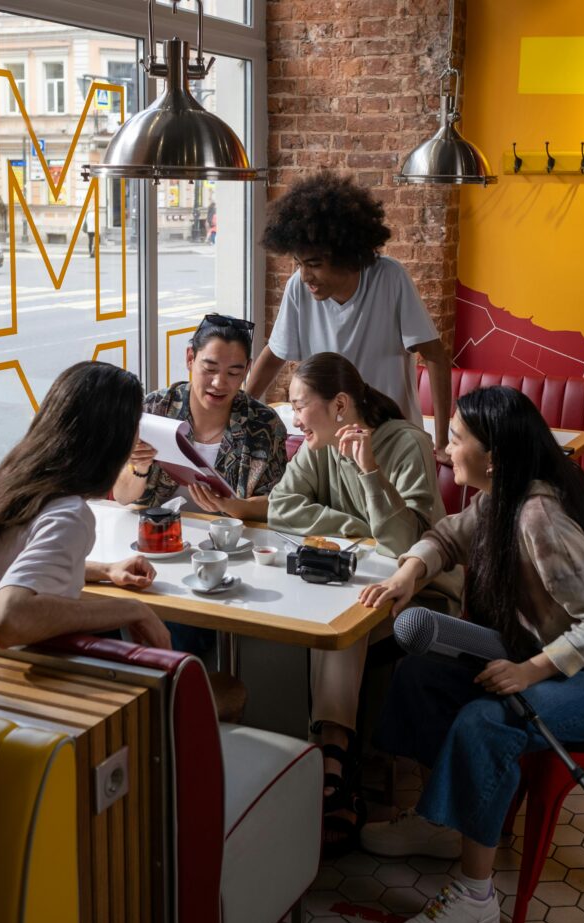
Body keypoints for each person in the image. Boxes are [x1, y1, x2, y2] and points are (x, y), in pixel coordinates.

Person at [358, 385, 584, 923]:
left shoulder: (539, 516)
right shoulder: (500, 496)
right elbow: (447, 536)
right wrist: (407, 576)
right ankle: (443, 821)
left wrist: (530, 671)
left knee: (486, 719)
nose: (445, 449)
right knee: (420, 675)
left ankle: (475, 898)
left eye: (455, 439)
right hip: (559, 650)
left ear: (492, 454)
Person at [268, 353, 462, 851]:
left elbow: (404, 546)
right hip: (355, 580)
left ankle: (332, 757)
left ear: (338, 405)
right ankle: (324, 756)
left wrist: (370, 473)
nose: (293, 419)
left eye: (299, 405)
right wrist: (356, 529)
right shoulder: (319, 445)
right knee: (323, 612)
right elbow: (280, 507)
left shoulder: (406, 443)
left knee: (341, 625)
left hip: (421, 591)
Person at [246, 171, 453, 463]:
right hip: (329, 443)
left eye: (315, 264)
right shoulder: (298, 287)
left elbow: (436, 357)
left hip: (393, 440)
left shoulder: (390, 278)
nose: (305, 276)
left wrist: (442, 441)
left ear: (347, 256)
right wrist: (240, 412)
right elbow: (274, 354)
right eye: (300, 263)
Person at [0, 362, 171, 651]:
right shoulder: (69, 515)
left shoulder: (1, 488)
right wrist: (132, 609)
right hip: (5, 680)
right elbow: (6, 619)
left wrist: (105, 570)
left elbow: (14, 564)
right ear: (113, 441)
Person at [113, 313, 287, 522]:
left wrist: (231, 505)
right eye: (210, 369)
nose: (219, 383)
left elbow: (277, 505)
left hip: (233, 542)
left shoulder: (264, 423)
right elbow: (122, 497)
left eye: (233, 373)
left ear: (247, 370)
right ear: (190, 358)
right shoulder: (155, 409)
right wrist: (139, 467)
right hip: (158, 537)